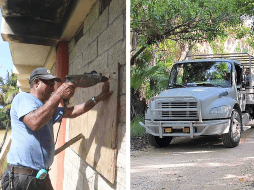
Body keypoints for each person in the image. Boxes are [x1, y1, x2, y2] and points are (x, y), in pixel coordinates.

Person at [0, 68, 113, 190]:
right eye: (50, 84)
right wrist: (59, 95)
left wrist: (97, 99)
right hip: (21, 177)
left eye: (54, 85)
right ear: (36, 82)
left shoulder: (47, 108)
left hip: (40, 176)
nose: (53, 89)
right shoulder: (23, 98)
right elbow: (34, 122)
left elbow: (72, 112)